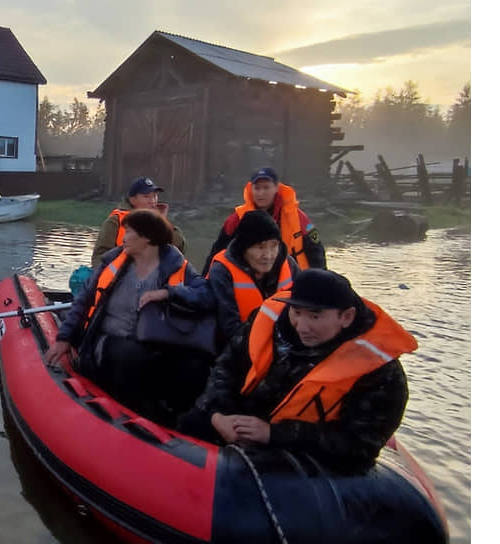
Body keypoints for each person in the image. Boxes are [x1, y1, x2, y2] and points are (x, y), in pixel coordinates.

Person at [177, 269, 415, 473]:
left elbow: (360, 443)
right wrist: (218, 415)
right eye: (297, 313)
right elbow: (226, 368)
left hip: (302, 450)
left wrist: (273, 434)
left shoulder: (380, 371)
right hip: (239, 420)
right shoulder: (267, 322)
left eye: (315, 316)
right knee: (191, 419)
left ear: (347, 316)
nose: (302, 326)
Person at [46, 209, 211, 424]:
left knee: (194, 365)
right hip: (107, 341)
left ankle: (180, 420)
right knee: (131, 355)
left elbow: (206, 295)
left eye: (129, 232)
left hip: (156, 343)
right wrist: (64, 338)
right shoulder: (114, 261)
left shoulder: (176, 265)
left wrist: (170, 292)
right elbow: (83, 300)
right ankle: (141, 415)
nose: (123, 237)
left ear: (147, 238)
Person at [205, 210, 299, 352]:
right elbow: (229, 329)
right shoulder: (222, 271)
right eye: (260, 247)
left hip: (283, 345)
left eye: (274, 246)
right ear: (244, 248)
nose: (268, 255)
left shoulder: (288, 264)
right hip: (236, 350)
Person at [201, 168, 325, 274]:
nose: (261, 193)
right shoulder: (236, 219)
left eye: (266, 188)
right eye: (257, 188)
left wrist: (322, 279)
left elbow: (316, 249)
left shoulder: (299, 217)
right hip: (253, 277)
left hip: (294, 278)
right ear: (251, 189)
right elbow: (217, 252)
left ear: (276, 188)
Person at [90, 177, 186, 267]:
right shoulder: (115, 221)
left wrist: (161, 223)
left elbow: (180, 247)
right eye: (146, 196)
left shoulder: (159, 220)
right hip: (121, 278)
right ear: (133, 199)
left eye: (155, 196)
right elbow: (98, 257)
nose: (152, 201)